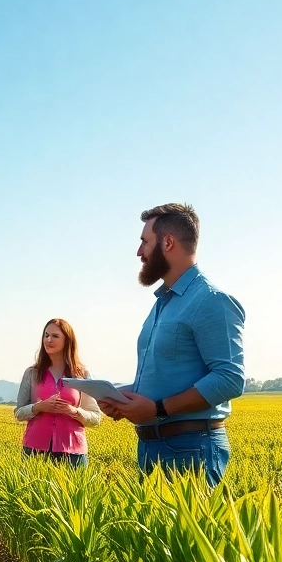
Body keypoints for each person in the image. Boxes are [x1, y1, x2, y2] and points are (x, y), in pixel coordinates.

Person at [97, 204, 246, 487]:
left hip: (191, 448)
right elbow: (164, 379)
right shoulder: (162, 304)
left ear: (168, 242)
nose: (139, 252)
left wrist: (158, 409)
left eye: (144, 242)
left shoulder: (210, 300)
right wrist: (123, 398)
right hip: (151, 446)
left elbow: (230, 379)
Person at [13, 318, 102, 466]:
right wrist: (39, 407)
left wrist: (73, 411)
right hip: (35, 451)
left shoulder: (82, 374)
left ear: (67, 340)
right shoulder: (32, 373)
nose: (48, 340)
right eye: (46, 335)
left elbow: (95, 418)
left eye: (55, 336)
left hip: (73, 453)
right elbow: (18, 413)